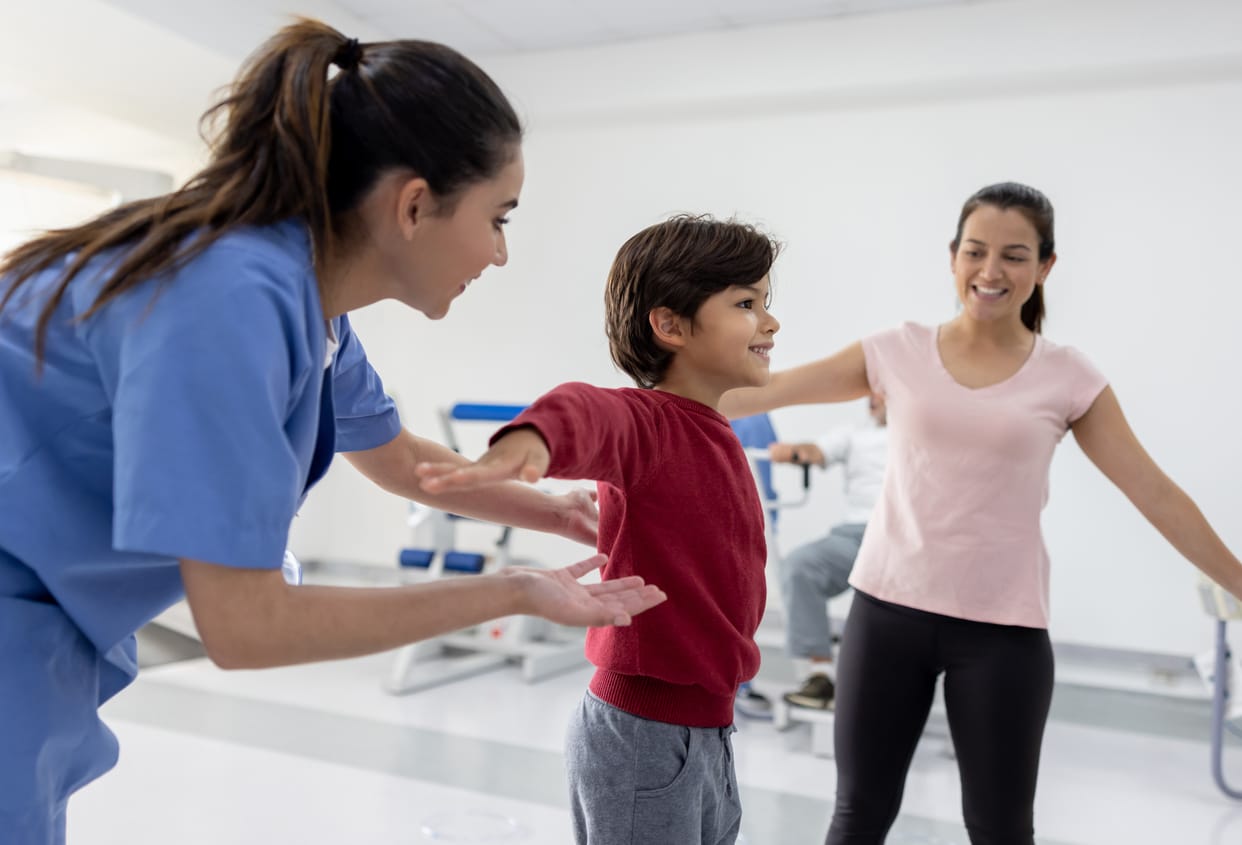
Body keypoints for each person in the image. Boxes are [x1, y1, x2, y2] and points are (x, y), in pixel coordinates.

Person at [0, 20, 666, 844]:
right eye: (499, 218)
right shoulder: (230, 299)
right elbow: (246, 626)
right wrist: (516, 591)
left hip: (39, 627)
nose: (499, 254)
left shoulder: (306, 305)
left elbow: (402, 460)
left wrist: (559, 512)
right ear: (413, 205)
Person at [720, 182, 1242, 845]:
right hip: (887, 612)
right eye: (975, 251)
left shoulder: (1069, 377)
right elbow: (760, 392)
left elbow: (1154, 492)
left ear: (1045, 266)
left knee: (1001, 830)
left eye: (1014, 255)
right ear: (952, 256)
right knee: (857, 817)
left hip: (1003, 632)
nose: (990, 271)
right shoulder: (897, 350)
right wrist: (641, 392)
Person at [418, 214, 782, 845]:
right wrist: (535, 438)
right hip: (644, 737)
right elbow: (590, 410)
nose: (770, 323)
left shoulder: (715, 431)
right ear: (670, 326)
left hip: (709, 732)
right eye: (747, 304)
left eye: (767, 303)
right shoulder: (649, 423)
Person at [772, 392, 888, 711]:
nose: (874, 398)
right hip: (853, 535)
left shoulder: (923, 434)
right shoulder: (854, 434)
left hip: (902, 537)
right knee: (800, 566)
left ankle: (885, 684)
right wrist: (793, 452)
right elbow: (817, 450)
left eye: (883, 392)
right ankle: (820, 676)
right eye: (872, 391)